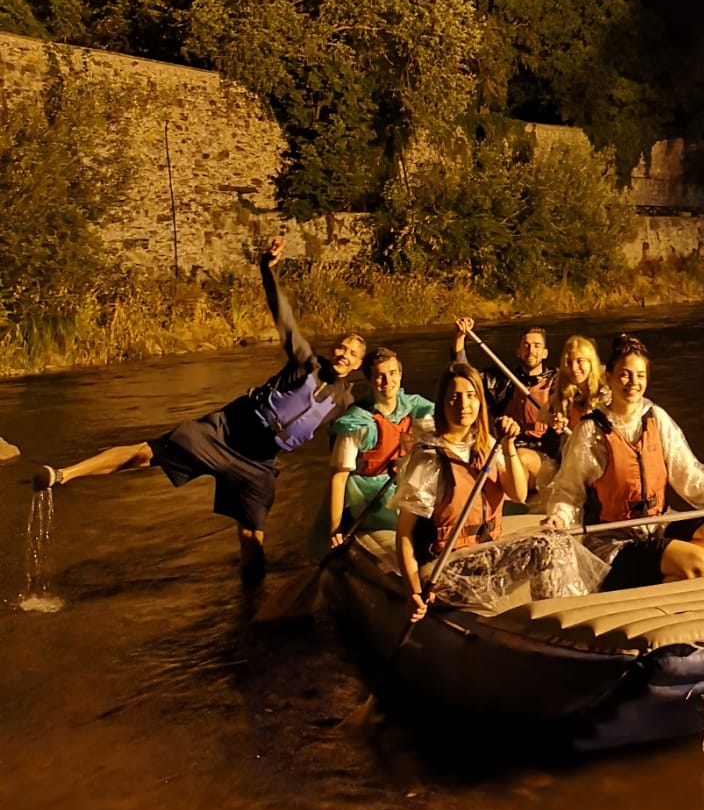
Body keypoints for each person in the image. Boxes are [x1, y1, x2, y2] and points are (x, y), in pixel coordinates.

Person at [32, 236, 366, 582]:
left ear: (357, 366)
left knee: (253, 538)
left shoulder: (346, 402)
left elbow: (376, 419)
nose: (343, 355)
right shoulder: (305, 362)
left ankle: (251, 610)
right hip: (223, 431)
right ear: (334, 348)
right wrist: (267, 271)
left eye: (352, 354)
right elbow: (283, 317)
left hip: (260, 462)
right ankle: (63, 475)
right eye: (342, 347)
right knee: (145, 455)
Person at [544, 333, 704, 591]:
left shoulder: (656, 418)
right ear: (608, 378)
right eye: (625, 374)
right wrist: (559, 518)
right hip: (615, 541)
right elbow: (569, 491)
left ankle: (661, 579)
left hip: (656, 527)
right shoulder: (591, 432)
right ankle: (670, 575)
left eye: (640, 375)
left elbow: (691, 476)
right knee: (700, 563)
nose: (633, 383)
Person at [392, 362, 527, 622]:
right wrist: (414, 592)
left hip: (487, 552)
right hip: (448, 565)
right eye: (454, 397)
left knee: (550, 545)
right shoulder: (429, 458)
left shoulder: (489, 443)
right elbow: (405, 534)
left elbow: (519, 495)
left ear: (480, 401)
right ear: (442, 404)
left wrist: (509, 445)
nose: (464, 405)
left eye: (471, 396)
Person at [325, 346, 435, 546]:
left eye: (392, 373)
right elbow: (339, 478)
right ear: (369, 380)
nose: (387, 381)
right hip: (372, 498)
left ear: (400, 374)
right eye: (379, 376)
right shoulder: (357, 423)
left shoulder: (415, 407)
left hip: (403, 485)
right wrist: (335, 529)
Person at [450, 316, 557, 486]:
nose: (531, 350)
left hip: (544, 457)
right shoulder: (502, 382)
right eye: (526, 345)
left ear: (545, 353)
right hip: (504, 450)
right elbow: (464, 375)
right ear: (518, 352)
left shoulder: (557, 383)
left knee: (521, 457)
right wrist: (460, 338)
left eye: (537, 346)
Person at [547, 334, 607, 437]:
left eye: (580, 361)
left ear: (591, 362)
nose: (574, 368)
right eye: (569, 363)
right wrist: (554, 421)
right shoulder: (563, 394)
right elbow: (542, 414)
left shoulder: (606, 392)